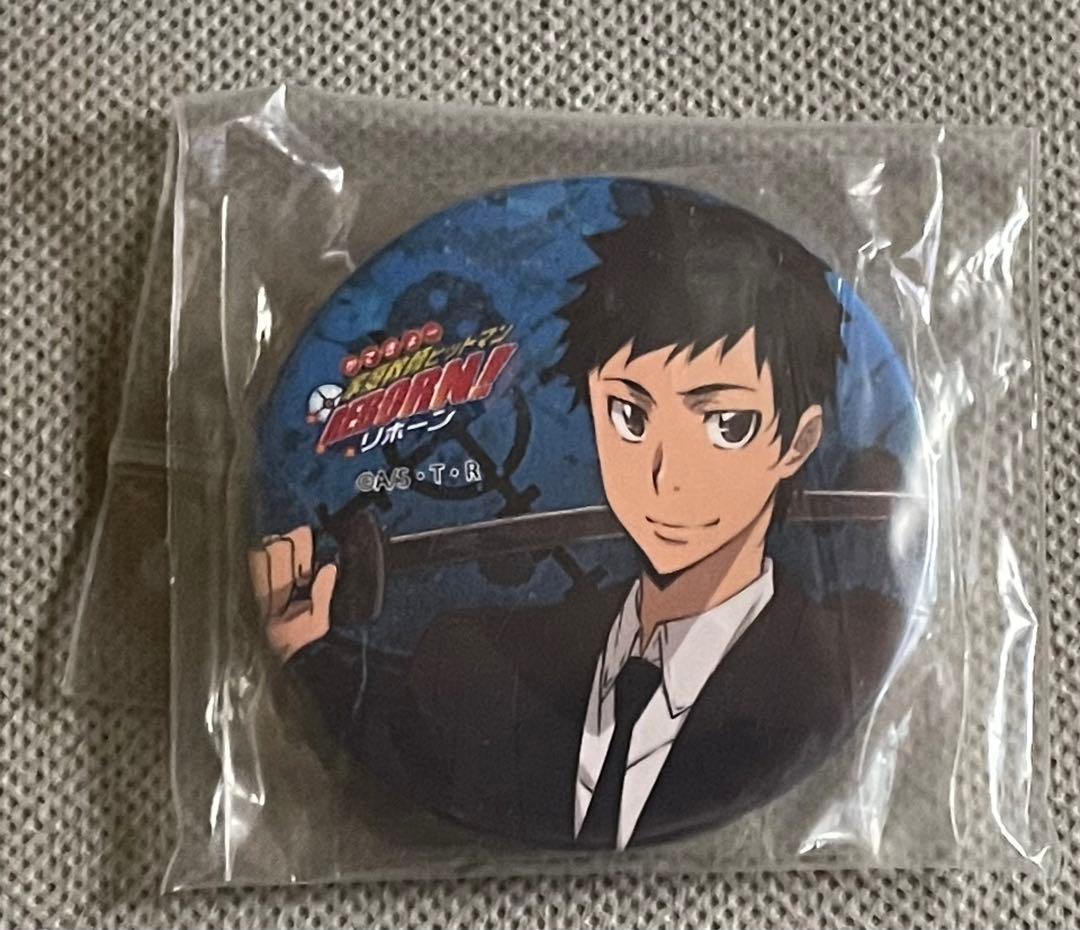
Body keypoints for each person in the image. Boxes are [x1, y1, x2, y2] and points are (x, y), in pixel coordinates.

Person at [248, 182, 902, 850]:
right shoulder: (480, 657)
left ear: (798, 442)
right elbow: (407, 739)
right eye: (629, 416)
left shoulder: (824, 670)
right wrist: (309, 651)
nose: (664, 478)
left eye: (727, 425)